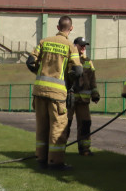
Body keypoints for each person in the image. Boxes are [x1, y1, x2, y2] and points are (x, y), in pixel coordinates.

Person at [27, 15, 82, 171]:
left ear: (58, 27)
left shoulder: (44, 42)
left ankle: (41, 159)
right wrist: (69, 84)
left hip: (39, 92)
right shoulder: (70, 46)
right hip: (57, 95)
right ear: (70, 28)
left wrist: (40, 73)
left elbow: (30, 62)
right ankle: (55, 162)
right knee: (58, 128)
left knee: (42, 127)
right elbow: (77, 70)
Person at [65, 37, 99, 156]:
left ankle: (84, 149)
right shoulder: (68, 59)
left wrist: (95, 94)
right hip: (69, 98)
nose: (83, 48)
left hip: (83, 100)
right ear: (75, 46)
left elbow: (92, 79)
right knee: (65, 124)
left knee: (85, 124)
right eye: (81, 45)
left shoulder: (88, 61)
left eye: (85, 46)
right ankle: (60, 149)